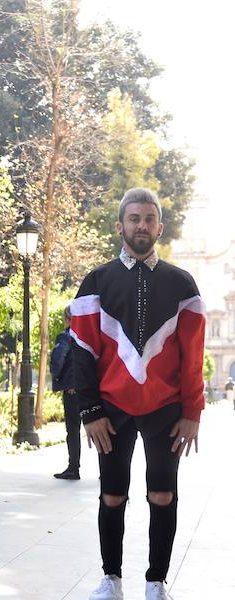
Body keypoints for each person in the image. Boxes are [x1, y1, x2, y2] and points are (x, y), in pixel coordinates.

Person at [71, 188, 205, 600]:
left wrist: (192, 412)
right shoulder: (96, 281)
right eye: (134, 218)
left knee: (162, 493)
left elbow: (192, 356)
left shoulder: (182, 284)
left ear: (159, 227)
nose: (141, 225)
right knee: (112, 494)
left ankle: (155, 581)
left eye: (149, 219)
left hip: (165, 409)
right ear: (120, 226)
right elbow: (82, 350)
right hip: (110, 408)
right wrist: (90, 410)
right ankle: (111, 578)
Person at [51, 305, 81, 480]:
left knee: (73, 429)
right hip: (90, 389)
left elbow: (58, 360)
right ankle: (106, 470)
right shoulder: (88, 337)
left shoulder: (65, 336)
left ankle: (73, 467)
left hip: (71, 390)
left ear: (67, 318)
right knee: (98, 430)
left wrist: (57, 378)